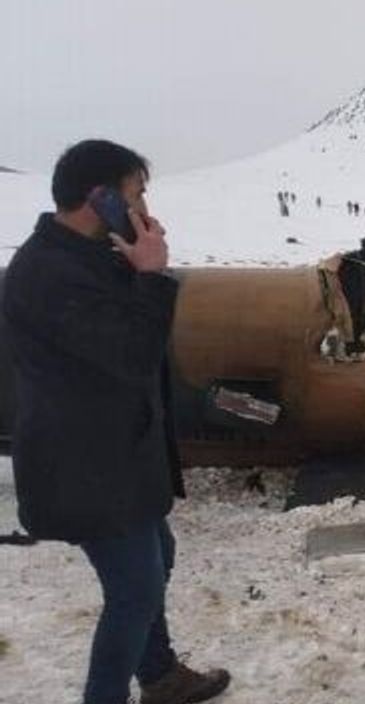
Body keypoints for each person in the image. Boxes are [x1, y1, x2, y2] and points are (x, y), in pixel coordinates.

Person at [2, 140, 231, 704]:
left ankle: (159, 675)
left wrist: (138, 266)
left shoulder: (91, 255)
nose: (145, 208)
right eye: (136, 194)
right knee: (133, 592)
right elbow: (131, 357)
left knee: (161, 556)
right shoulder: (46, 273)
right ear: (100, 198)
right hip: (83, 465)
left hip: (120, 456)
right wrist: (152, 278)